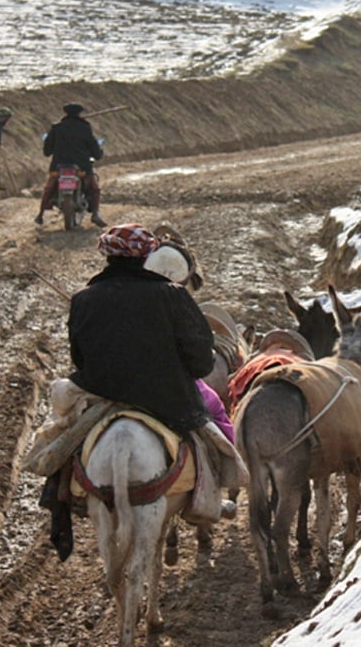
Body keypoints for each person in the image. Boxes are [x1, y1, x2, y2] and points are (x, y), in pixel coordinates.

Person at [67, 223, 221, 524]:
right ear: (145, 257)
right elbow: (202, 362)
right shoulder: (173, 295)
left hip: (101, 394)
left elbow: (78, 359)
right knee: (215, 443)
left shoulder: (82, 299)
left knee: (60, 433)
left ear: (107, 256)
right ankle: (211, 497)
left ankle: (60, 494)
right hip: (167, 399)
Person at [36, 103, 105, 227]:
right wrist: (98, 154)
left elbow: (47, 151)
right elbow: (94, 148)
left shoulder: (57, 128)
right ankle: (95, 214)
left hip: (59, 166)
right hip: (82, 167)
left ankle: (40, 214)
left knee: (49, 187)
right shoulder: (85, 127)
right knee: (94, 189)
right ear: (79, 113)